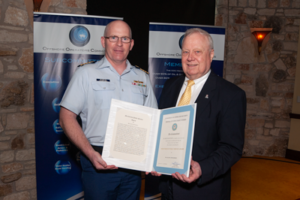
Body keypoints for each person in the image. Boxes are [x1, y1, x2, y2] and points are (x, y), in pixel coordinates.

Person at [59, 20, 158, 200]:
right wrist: (90, 153)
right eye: (113, 37)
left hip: (133, 164)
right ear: (103, 41)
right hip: (98, 161)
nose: (119, 44)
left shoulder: (142, 77)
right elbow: (66, 117)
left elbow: (153, 122)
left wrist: (154, 158)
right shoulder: (86, 74)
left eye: (124, 38)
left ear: (132, 44)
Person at [155, 28, 246, 200]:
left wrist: (202, 168)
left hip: (205, 190)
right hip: (168, 187)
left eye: (197, 51)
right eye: (186, 52)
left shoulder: (231, 95)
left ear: (211, 55)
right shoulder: (170, 86)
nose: (190, 57)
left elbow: (231, 148)